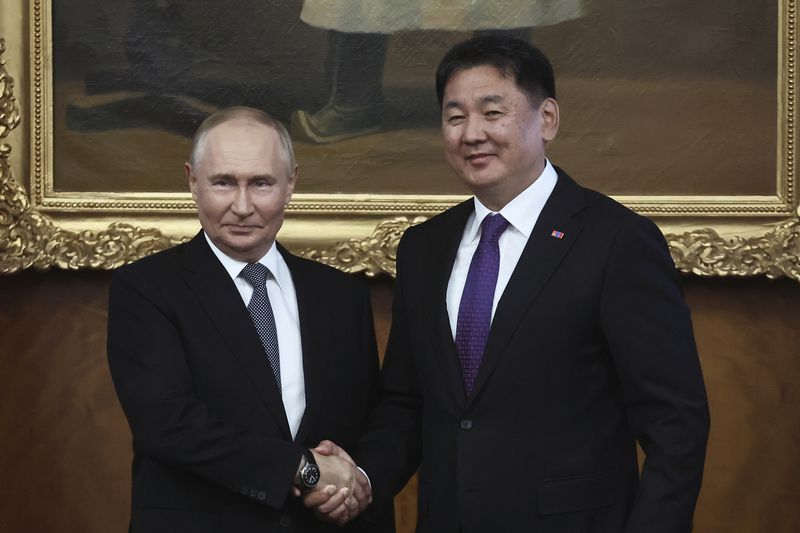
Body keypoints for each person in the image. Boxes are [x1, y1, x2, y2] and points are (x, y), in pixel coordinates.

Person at [309, 35, 710, 532]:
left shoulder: (616, 241)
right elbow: (408, 402)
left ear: (547, 119)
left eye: (492, 112)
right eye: (455, 117)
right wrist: (362, 476)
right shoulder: (424, 248)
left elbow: (676, 423)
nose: (471, 133)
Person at [106, 106, 393, 532]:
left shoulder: (341, 295)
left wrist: (355, 485)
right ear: (192, 181)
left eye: (261, 183)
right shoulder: (146, 289)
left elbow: (369, 422)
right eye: (223, 183)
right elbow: (170, 426)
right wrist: (304, 469)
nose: (242, 206)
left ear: (291, 182)